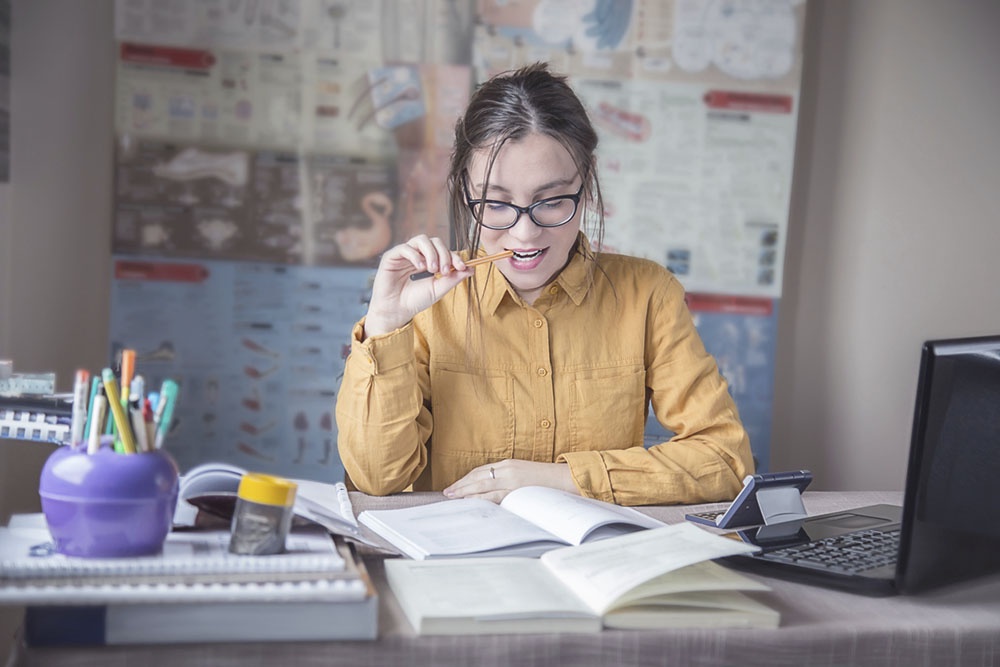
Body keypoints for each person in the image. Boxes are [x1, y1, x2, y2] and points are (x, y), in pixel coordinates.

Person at [336, 62, 753, 506]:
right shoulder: (426, 302)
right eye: (496, 204)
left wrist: (563, 479)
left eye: (552, 201)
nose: (524, 234)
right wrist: (384, 323)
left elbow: (726, 460)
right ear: (464, 192)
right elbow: (376, 479)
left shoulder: (647, 293)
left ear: (587, 183)